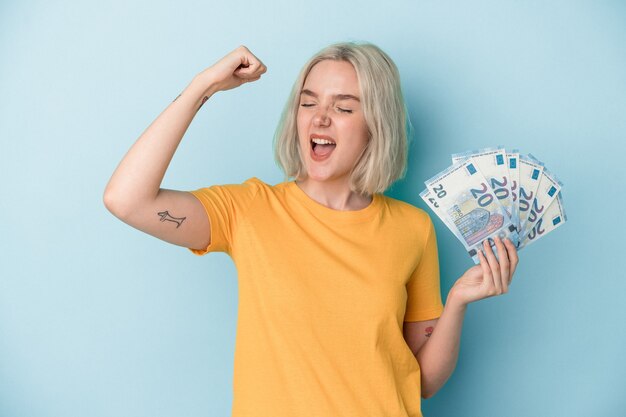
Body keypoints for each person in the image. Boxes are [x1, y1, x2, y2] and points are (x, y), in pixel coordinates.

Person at [104, 42, 519, 417]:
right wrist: (202, 87)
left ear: (376, 124)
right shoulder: (249, 210)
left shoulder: (412, 228)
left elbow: (424, 382)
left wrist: (459, 301)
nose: (320, 118)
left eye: (343, 107)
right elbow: (127, 200)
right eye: (308, 103)